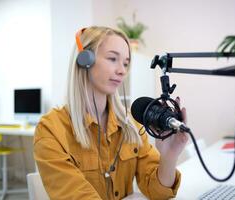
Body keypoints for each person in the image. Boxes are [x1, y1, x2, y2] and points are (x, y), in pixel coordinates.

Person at [34, 26, 188, 200]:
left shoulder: (131, 123)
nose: (122, 70)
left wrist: (169, 156)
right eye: (113, 58)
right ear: (85, 60)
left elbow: (157, 192)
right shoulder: (51, 130)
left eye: (125, 63)